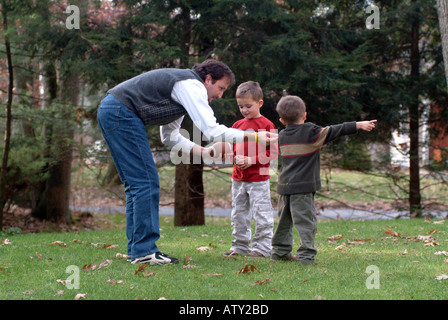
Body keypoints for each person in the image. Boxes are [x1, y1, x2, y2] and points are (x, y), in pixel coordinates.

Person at [96, 60, 277, 265]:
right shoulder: (191, 85)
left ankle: (137, 249)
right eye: (220, 88)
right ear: (208, 79)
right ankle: (144, 251)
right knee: (145, 182)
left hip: (113, 110)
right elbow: (211, 129)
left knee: (137, 184)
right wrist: (253, 137)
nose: (220, 95)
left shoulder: (182, 93)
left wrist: (203, 151)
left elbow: (170, 137)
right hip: (120, 112)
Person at [271, 95, 376, 265]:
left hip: (284, 187)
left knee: (284, 222)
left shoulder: (282, 135)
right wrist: (358, 125)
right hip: (303, 189)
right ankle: (306, 256)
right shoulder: (311, 132)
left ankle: (279, 252)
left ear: (282, 120)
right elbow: (336, 129)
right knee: (306, 222)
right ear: (304, 115)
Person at [224, 81, 278, 258]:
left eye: (248, 106)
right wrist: (233, 158)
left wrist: (252, 160)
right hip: (238, 178)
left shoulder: (267, 125)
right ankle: (240, 247)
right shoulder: (237, 125)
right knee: (239, 215)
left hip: (259, 179)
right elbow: (230, 147)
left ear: (259, 103)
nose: (244, 110)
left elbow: (273, 152)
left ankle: (262, 248)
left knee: (262, 214)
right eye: (241, 106)